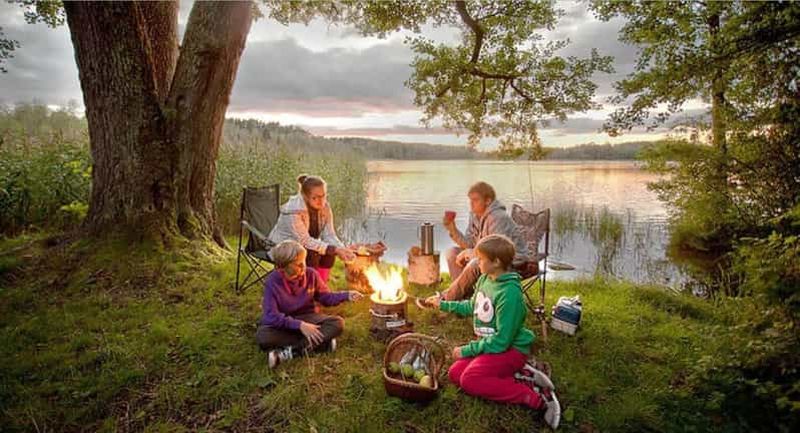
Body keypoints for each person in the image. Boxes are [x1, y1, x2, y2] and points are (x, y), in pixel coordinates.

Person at [428, 235, 561, 429]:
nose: (476, 262)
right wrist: (444, 305)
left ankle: (532, 395)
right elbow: (472, 306)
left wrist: (467, 350)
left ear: (496, 262)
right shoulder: (485, 279)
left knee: (470, 379)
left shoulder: (510, 295)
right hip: (493, 348)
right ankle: (522, 374)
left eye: (481, 259)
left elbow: (501, 341)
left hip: (511, 349)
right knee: (455, 373)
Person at [256, 240, 363, 369]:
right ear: (283, 267)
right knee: (264, 337)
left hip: (308, 317)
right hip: (285, 322)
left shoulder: (311, 274)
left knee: (337, 323)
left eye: (304, 262)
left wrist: (346, 295)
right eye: (298, 264)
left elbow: (326, 297)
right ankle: (322, 344)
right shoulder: (272, 281)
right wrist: (299, 326)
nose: (303, 267)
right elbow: (271, 316)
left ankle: (289, 353)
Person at [438, 181, 531, 300]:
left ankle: (445, 299)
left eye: (475, 200)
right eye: (470, 200)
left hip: (511, 262)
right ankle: (463, 298)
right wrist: (453, 229)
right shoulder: (475, 215)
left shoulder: (498, 217)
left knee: (476, 263)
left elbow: (496, 251)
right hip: (490, 256)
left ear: (488, 201)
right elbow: (469, 243)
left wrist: (471, 253)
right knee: (452, 253)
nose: (471, 204)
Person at [268, 174, 356, 283]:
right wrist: (334, 249)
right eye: (315, 197)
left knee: (329, 253)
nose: (321, 201)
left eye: (323, 196)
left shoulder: (325, 207)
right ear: (305, 196)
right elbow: (304, 241)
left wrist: (341, 249)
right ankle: (307, 288)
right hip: (281, 247)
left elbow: (329, 234)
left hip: (303, 245)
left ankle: (320, 286)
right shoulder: (293, 211)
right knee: (312, 254)